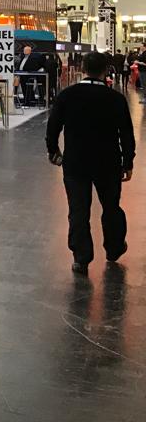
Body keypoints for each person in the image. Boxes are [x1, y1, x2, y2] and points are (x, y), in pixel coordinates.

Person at [46, 51, 135, 274]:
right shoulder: (115, 99)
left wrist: (54, 151)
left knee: (78, 210)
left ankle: (81, 258)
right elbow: (126, 133)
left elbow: (53, 127)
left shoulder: (67, 95)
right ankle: (114, 247)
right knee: (111, 207)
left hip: (76, 162)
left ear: (83, 69)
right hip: (108, 162)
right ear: (105, 70)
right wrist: (128, 162)